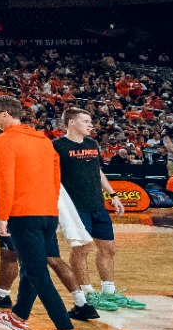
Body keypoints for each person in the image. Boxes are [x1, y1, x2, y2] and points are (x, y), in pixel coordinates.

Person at [0, 95, 83, 330]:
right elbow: (55, 178)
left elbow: (5, 181)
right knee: (31, 266)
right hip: (48, 213)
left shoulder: (3, 140)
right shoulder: (44, 141)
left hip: (23, 214)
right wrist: (51, 210)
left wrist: (2, 216)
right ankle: (18, 317)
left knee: (37, 272)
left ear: (5, 114)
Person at [55, 107, 142, 312]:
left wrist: (113, 194)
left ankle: (109, 293)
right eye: (85, 121)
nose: (90, 125)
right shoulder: (57, 146)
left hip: (97, 205)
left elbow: (98, 171)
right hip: (75, 208)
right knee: (81, 249)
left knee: (108, 249)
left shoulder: (91, 144)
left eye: (90, 121)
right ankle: (87, 294)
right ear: (71, 122)